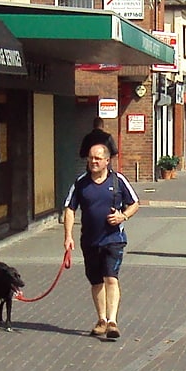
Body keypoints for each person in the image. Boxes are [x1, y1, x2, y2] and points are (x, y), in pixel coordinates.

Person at [63, 129, 142, 339]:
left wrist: (122, 217)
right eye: (91, 158)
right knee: (96, 281)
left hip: (113, 239)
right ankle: (101, 319)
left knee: (111, 278)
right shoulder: (81, 183)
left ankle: (112, 321)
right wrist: (68, 236)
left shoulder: (118, 181)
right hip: (89, 240)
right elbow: (69, 209)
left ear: (107, 161)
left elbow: (135, 203)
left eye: (98, 158)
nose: (93, 162)